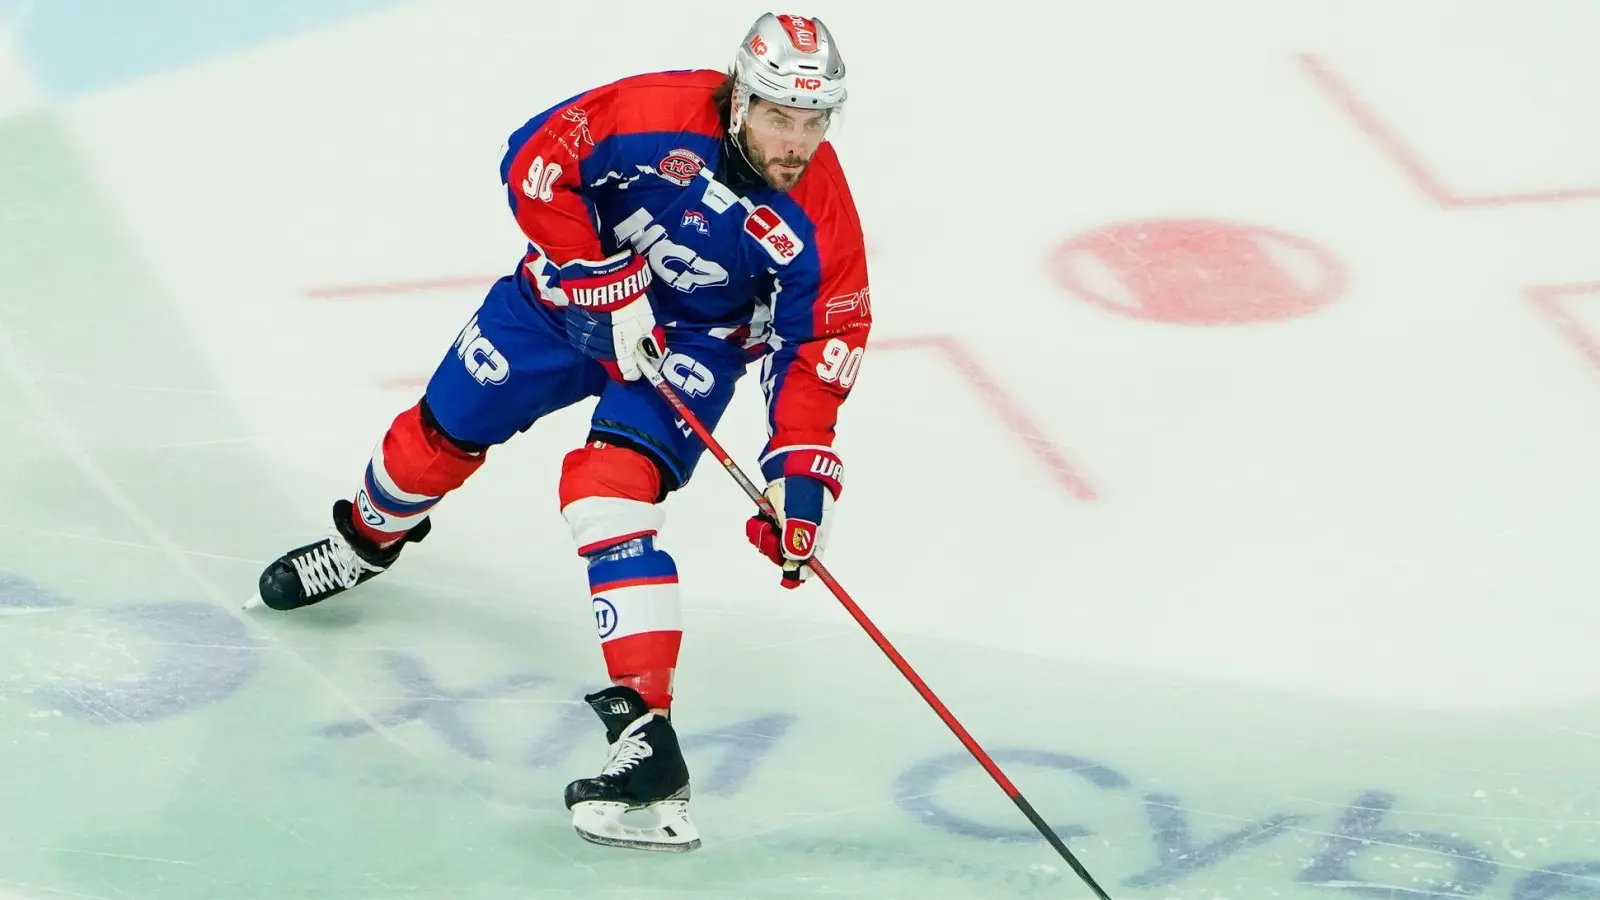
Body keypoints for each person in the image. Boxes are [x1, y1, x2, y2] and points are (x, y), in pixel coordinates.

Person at [248, 12, 871, 852]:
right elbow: (535, 159)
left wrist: (800, 478)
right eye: (778, 117)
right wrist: (597, 274)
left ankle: (647, 740)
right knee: (437, 435)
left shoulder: (822, 219)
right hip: (562, 302)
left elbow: (818, 346)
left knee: (606, 491)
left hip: (686, 346)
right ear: (737, 100)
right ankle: (364, 540)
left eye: (813, 121)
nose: (796, 143)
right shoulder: (652, 112)